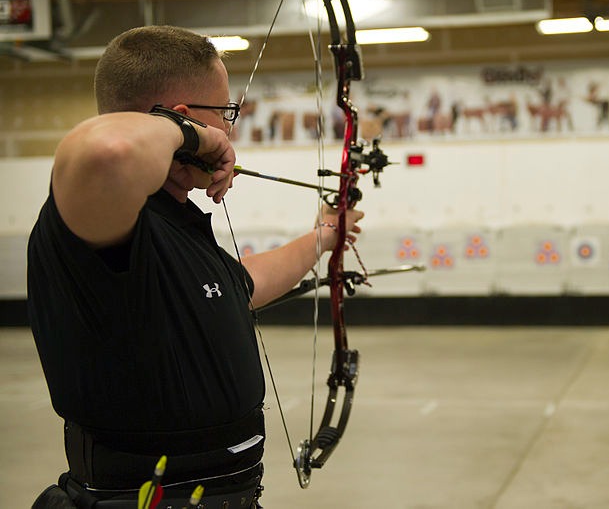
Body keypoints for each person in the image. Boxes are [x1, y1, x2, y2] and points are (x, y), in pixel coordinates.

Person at [28, 25, 363, 508]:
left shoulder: (175, 223)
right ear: (183, 120)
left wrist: (325, 236)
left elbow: (243, 284)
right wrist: (195, 135)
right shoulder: (102, 219)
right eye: (224, 114)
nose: (229, 129)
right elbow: (109, 151)